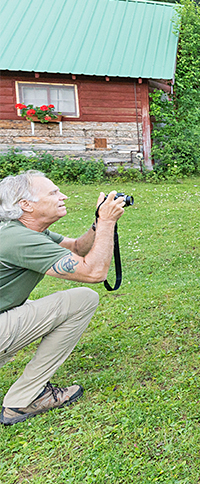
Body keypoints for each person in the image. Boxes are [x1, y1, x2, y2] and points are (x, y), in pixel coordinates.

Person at [0, 171, 126, 425]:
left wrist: (97, 222)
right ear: (25, 205)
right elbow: (94, 272)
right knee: (82, 300)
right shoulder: (18, 239)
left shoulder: (23, 231)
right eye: (53, 193)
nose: (63, 196)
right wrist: (107, 223)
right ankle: (25, 399)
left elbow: (78, 248)